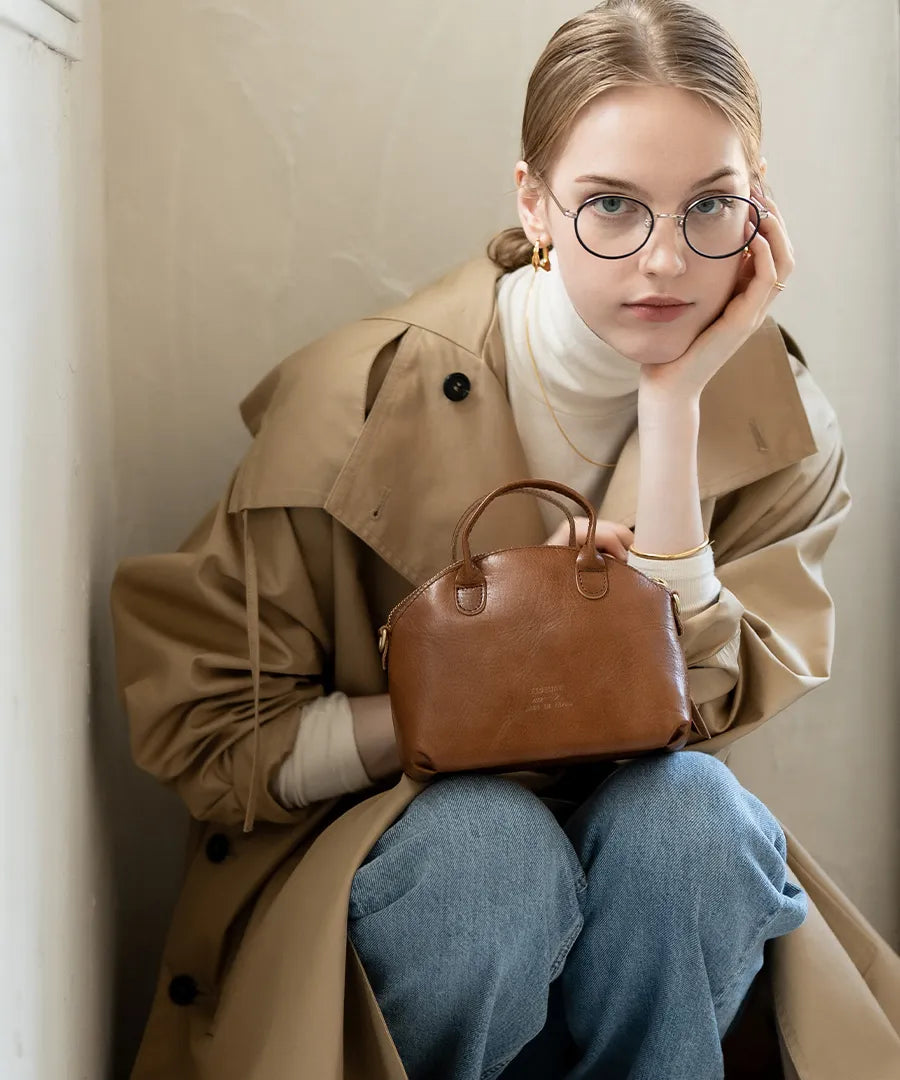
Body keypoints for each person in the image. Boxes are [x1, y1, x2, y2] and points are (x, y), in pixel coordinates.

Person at [111, 2, 900, 1078]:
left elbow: (706, 705)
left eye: (711, 205)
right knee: (489, 849)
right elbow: (211, 740)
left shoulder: (778, 422)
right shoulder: (352, 405)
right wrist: (462, 707)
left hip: (642, 918)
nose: (666, 262)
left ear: (760, 212)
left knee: (694, 822)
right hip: (410, 895)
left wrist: (673, 411)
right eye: (612, 206)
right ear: (532, 201)